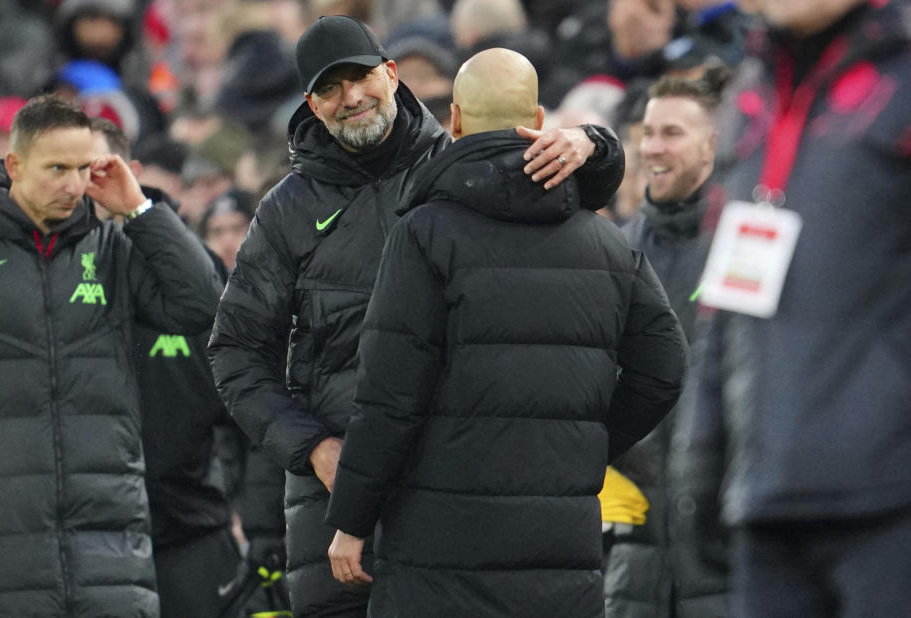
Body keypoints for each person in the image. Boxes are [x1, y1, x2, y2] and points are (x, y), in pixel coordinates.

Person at [208, 14, 619, 618]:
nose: (350, 98)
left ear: (392, 74)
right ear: (311, 104)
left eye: (361, 78)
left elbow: (574, 193)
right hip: (332, 506)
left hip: (450, 492)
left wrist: (593, 143)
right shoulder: (285, 211)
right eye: (330, 88)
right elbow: (235, 352)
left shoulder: (459, 165)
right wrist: (313, 446)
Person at [323, 47, 688, 617]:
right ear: (539, 122)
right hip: (561, 555)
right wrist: (577, 446)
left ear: (456, 123)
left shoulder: (423, 234)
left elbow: (389, 395)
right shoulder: (610, 242)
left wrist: (351, 517)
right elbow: (665, 371)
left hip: (436, 553)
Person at [674, 0, 911, 616]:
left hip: (896, 502)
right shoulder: (750, 98)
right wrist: (703, 463)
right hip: (769, 499)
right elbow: (726, 304)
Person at [0, 94, 222, 616]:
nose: (72, 185)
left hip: (109, 546)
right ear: (13, 165)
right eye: (56, 168)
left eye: (83, 169)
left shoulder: (112, 246)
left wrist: (142, 210)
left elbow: (200, 305)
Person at [90, 116, 245, 618]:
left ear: (128, 171)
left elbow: (243, 403)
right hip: (92, 534)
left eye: (95, 169)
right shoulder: (43, 269)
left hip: (189, 527)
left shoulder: (185, 265)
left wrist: (246, 511)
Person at [603, 71, 730, 618]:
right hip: (632, 548)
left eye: (672, 133)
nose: (652, 147)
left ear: (713, 144)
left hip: (722, 539)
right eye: (647, 132)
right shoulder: (612, 250)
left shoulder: (749, 243)